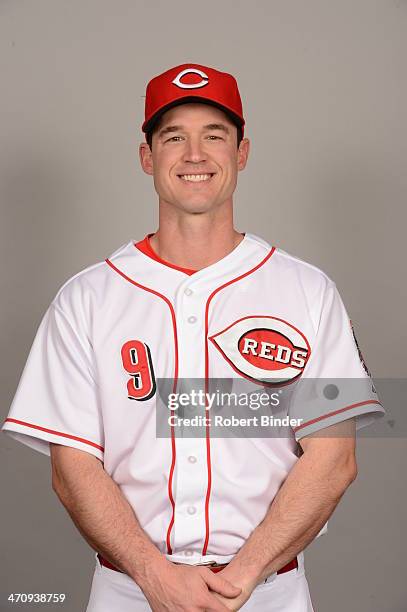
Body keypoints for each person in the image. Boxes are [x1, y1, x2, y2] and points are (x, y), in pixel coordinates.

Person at [2, 63, 385, 611]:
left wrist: (243, 576)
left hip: (268, 594)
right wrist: (156, 576)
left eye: (215, 135)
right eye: (174, 137)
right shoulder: (85, 299)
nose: (195, 154)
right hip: (130, 592)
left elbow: (334, 457)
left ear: (242, 153)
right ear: (147, 157)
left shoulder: (308, 291)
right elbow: (72, 468)